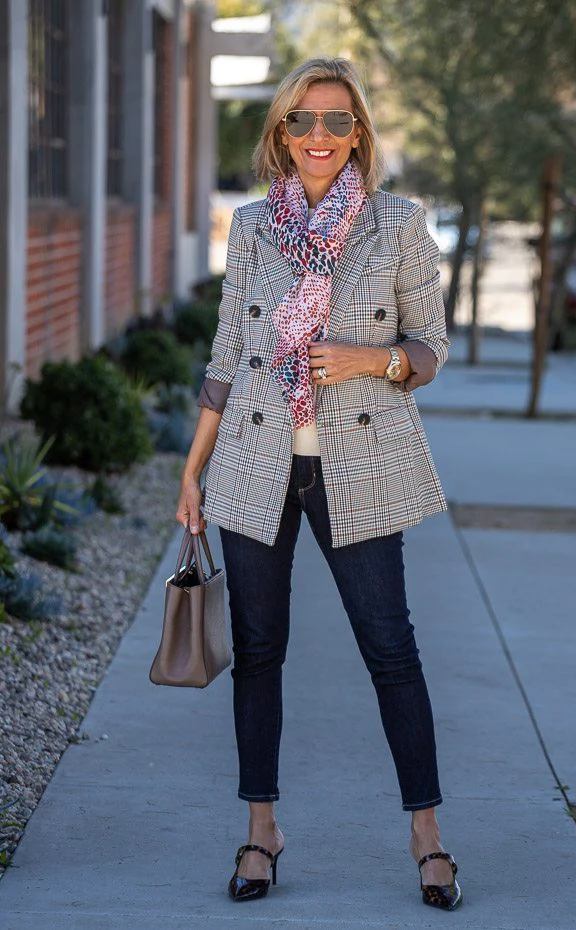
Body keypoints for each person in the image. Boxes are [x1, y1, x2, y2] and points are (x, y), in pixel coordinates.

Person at [176, 57, 462, 912]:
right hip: (256, 461)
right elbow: (228, 356)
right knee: (258, 654)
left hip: (361, 461)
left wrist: (375, 360)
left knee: (391, 648)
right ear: (281, 132)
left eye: (338, 122)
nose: (320, 138)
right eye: (304, 121)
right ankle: (261, 829)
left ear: (359, 131)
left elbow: (431, 345)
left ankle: (428, 838)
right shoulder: (255, 225)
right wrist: (192, 470)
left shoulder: (396, 223)